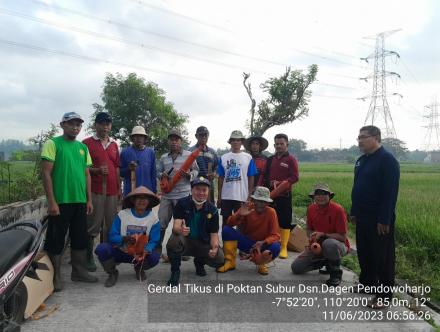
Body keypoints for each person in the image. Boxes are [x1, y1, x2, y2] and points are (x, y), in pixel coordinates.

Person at [41, 112, 98, 291]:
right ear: (63, 125)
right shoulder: (53, 144)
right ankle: (55, 276)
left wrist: (89, 199)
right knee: (56, 239)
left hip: (79, 201)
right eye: (71, 124)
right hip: (61, 201)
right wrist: (51, 201)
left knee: (80, 238)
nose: (75, 127)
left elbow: (86, 174)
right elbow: (46, 173)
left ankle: (79, 272)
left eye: (78, 125)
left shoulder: (82, 148)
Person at [351, 125, 400, 309]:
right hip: (362, 216)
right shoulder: (361, 160)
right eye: (358, 137)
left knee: (383, 258)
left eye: (363, 137)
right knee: (365, 253)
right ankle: (367, 283)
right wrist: (354, 211)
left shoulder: (387, 160)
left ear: (376, 138)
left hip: (378, 219)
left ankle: (384, 296)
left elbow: (390, 192)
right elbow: (357, 187)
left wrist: (384, 219)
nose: (360, 141)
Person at [94, 186, 161, 287]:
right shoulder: (122, 214)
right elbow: (112, 235)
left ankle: (139, 268)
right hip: (121, 250)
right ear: (133, 200)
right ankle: (112, 273)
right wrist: (123, 239)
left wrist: (146, 250)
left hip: (139, 253)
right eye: (138, 198)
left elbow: (154, 240)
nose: (141, 201)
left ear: (149, 201)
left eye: (145, 198)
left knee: (155, 257)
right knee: (102, 249)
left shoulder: (153, 219)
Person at [166, 176, 224, 286]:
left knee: (219, 259)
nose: (201, 193)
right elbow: (176, 226)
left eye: (204, 190)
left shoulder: (213, 210)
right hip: (186, 241)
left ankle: (199, 263)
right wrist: (180, 230)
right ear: (192, 190)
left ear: (208, 191)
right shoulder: (182, 203)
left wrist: (215, 248)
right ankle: (175, 271)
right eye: (197, 189)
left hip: (202, 241)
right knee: (174, 240)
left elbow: (214, 234)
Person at [291, 183, 350, 286]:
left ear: (329, 196)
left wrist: (323, 234)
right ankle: (326, 261)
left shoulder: (338, 210)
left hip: (338, 245)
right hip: (317, 246)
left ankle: (335, 274)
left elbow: (342, 237)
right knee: (296, 268)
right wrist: (312, 237)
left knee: (329, 243)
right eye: (317, 194)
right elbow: (309, 229)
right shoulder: (311, 209)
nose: (320, 197)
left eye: (324, 194)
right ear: (313, 197)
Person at [82, 112, 120, 272]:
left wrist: (119, 189)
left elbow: (117, 167)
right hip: (95, 190)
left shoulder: (114, 144)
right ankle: (88, 257)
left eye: (108, 124)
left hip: (112, 191)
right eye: (102, 123)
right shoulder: (86, 143)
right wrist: (96, 170)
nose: (105, 126)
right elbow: (82, 168)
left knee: (110, 225)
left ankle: (106, 255)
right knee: (93, 224)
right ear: (96, 125)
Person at [217, 186, 281, 275]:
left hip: (262, 246)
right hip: (248, 243)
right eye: (258, 201)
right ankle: (230, 262)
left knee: (276, 247)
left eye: (264, 202)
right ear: (253, 200)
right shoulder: (247, 207)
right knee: (226, 230)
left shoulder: (271, 212)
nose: (261, 204)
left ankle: (262, 262)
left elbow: (276, 235)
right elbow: (229, 223)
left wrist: (263, 242)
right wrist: (239, 215)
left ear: (268, 203)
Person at [157, 129, 199, 260]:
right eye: (171, 139)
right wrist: (162, 175)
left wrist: (190, 175)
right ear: (168, 141)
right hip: (167, 196)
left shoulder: (189, 155)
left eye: (176, 139)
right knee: (161, 223)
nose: (174, 142)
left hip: (183, 196)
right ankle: (157, 250)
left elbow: (196, 170)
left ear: (181, 141)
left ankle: (184, 251)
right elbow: (157, 172)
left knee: (183, 225)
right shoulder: (164, 157)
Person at [264, 133, 299, 259]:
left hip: (284, 194)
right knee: (271, 218)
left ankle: (283, 247)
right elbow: (264, 176)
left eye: (281, 144)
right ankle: (274, 243)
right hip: (269, 194)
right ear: (274, 145)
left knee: (284, 220)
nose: (279, 146)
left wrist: (282, 183)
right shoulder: (270, 159)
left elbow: (295, 177)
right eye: (277, 144)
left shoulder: (291, 159)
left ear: (287, 145)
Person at [217, 130, 257, 224]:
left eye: (238, 140)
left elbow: (251, 177)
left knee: (241, 222)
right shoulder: (223, 158)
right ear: (230, 141)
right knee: (226, 222)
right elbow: (221, 178)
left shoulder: (248, 158)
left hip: (242, 196)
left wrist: (249, 196)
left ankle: (240, 239)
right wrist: (219, 197)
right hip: (226, 196)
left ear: (242, 142)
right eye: (233, 140)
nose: (236, 142)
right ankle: (226, 239)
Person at [120, 126, 157, 196]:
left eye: (141, 136)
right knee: (129, 207)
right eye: (136, 136)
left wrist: (154, 190)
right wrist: (128, 169)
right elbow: (120, 173)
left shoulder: (150, 153)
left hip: (147, 192)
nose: (139, 138)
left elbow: (153, 173)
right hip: (129, 192)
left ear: (145, 138)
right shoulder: (125, 152)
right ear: (132, 138)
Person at [189, 126, 218, 203]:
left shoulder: (212, 152)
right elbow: (187, 168)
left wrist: (214, 173)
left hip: (209, 185)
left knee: (209, 209)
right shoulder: (190, 151)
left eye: (206, 135)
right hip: (195, 185)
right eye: (201, 135)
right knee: (194, 207)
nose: (204, 137)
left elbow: (217, 166)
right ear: (196, 136)